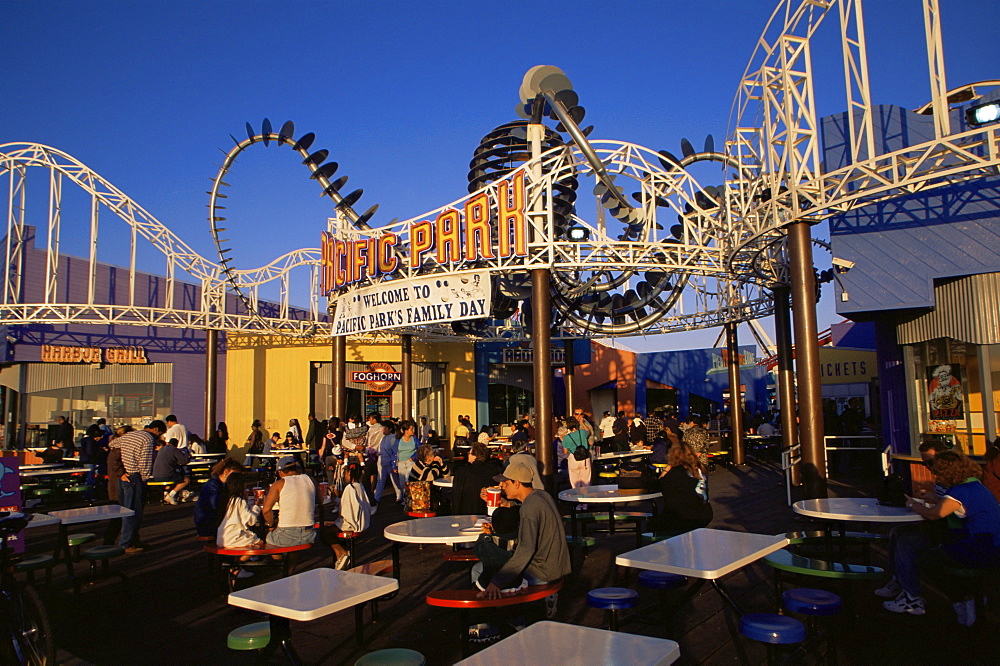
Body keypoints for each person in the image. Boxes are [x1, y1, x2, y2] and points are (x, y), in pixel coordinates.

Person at [881, 450, 1000, 625]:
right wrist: (935, 498)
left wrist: (913, 504)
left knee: (926, 561)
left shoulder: (959, 491)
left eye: (937, 472)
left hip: (976, 548)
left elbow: (934, 515)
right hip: (991, 545)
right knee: (932, 555)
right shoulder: (974, 485)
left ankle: (958, 599)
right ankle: (967, 599)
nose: (935, 476)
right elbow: (956, 507)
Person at [476, 462, 571, 601]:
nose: (502, 486)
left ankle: (501, 615)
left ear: (517, 483)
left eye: (505, 483)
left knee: (479, 570)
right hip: (555, 565)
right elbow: (526, 509)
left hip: (541, 572)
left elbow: (525, 550)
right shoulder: (541, 495)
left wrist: (497, 582)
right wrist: (506, 503)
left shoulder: (529, 508)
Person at [113, 419, 166, 553]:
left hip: (124, 476)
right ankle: (127, 543)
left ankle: (132, 540)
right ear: (155, 430)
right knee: (134, 511)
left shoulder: (130, 435)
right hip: (135, 476)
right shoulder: (148, 439)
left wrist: (121, 469)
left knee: (125, 510)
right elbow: (145, 462)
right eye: (160, 433)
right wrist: (145, 478)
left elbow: (112, 444)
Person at [651, 442, 713, 535]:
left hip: (683, 516)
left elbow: (657, 486)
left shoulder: (676, 472)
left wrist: (667, 469)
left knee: (652, 524)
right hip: (704, 513)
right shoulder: (700, 469)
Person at [262, 456, 319, 548]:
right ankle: (292, 561)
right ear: (297, 469)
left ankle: (279, 560)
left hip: (286, 532)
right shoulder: (311, 480)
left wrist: (271, 525)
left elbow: (266, 510)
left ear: (280, 472)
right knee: (293, 546)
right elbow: (320, 501)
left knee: (269, 539)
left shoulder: (278, 484)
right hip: (309, 533)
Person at [328, 463, 372, 570]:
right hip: (362, 522)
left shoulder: (349, 488)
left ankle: (342, 553)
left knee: (326, 533)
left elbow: (346, 510)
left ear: (349, 473)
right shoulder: (360, 486)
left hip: (352, 524)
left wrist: (339, 521)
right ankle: (341, 556)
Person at [194, 458, 246, 537]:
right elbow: (215, 507)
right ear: (226, 472)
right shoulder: (213, 486)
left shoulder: (219, 484)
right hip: (208, 525)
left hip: (211, 522)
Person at [452, 442, 501, 515]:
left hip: (467, 511)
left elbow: (457, 496)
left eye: (470, 453)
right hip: (487, 510)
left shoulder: (463, 472)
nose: (468, 455)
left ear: (475, 456)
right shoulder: (494, 470)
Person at [152, 433, 192, 504]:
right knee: (186, 480)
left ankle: (166, 495)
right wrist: (187, 456)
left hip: (155, 475)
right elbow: (183, 461)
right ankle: (171, 495)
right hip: (167, 475)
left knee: (171, 478)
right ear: (176, 445)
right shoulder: (174, 449)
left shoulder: (162, 449)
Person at [373, 421, 402, 503]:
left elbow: (395, 451)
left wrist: (394, 463)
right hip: (382, 460)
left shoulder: (393, 438)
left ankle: (399, 495)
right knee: (380, 480)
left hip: (390, 461)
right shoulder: (383, 438)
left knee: (394, 479)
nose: (383, 429)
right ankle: (376, 497)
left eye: (385, 428)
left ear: (390, 429)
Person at [562, 416, 591, 490]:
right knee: (586, 481)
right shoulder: (582, 432)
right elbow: (588, 431)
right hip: (585, 458)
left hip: (573, 458)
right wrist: (582, 423)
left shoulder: (566, 437)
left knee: (575, 482)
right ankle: (586, 498)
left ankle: (577, 498)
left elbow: (565, 451)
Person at [396, 420, 419, 495]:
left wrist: (414, 456)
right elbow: (394, 452)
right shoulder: (399, 440)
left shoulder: (414, 439)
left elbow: (420, 449)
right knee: (402, 482)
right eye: (411, 429)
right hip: (401, 462)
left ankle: (409, 497)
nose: (413, 431)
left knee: (408, 479)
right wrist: (394, 466)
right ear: (406, 431)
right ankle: (404, 498)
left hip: (410, 462)